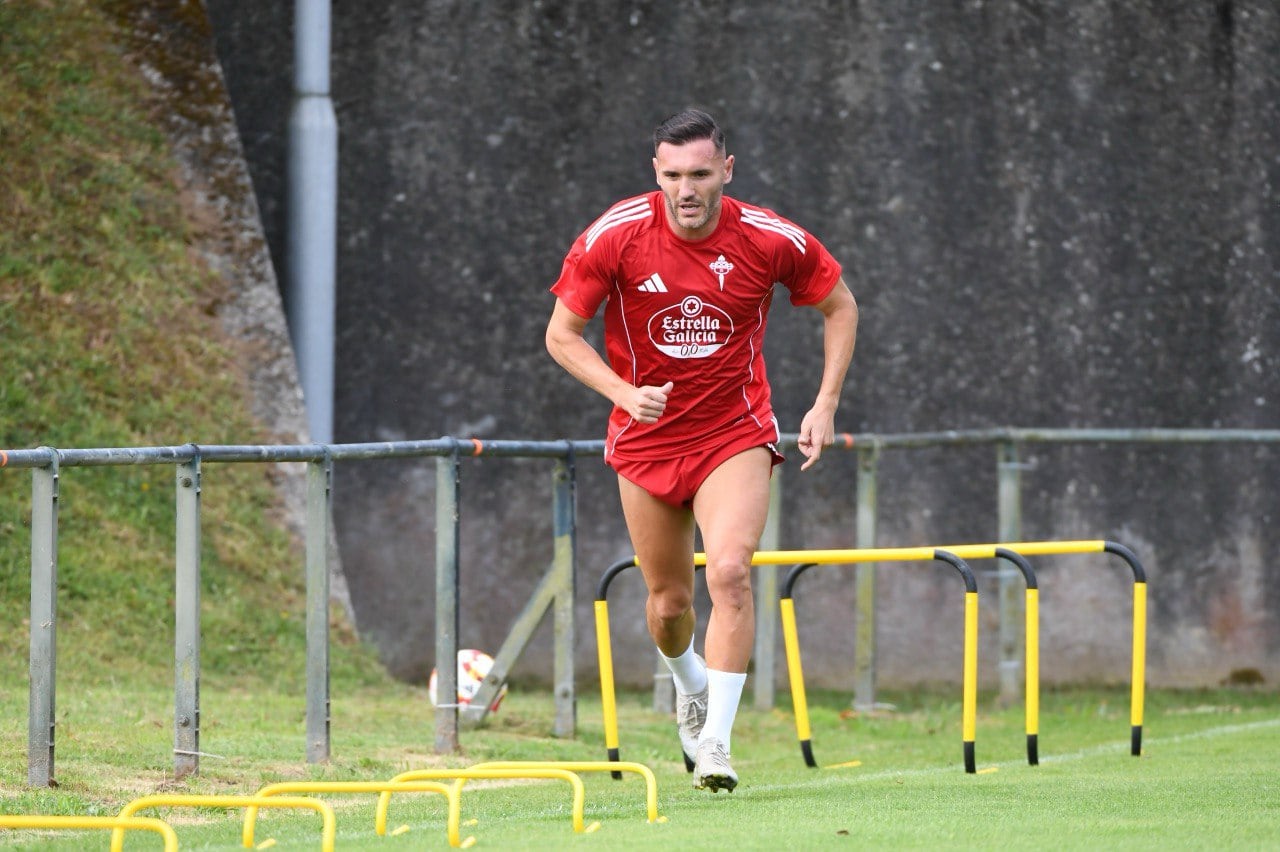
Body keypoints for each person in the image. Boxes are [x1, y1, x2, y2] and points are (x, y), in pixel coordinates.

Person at [545, 108, 858, 792]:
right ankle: (688, 683)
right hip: (647, 437)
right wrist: (623, 393)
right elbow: (562, 335)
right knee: (667, 603)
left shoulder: (769, 238)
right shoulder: (617, 234)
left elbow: (841, 306)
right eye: (672, 175)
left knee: (731, 574)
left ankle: (714, 743)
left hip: (734, 433)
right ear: (657, 174)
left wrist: (824, 402)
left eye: (700, 174)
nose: (686, 190)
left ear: (726, 172)